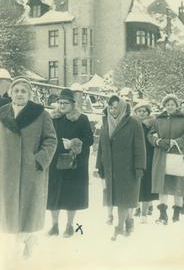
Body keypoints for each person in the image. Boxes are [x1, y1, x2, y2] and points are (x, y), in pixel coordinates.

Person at [0, 76, 57, 259]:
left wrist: (39, 160)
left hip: (30, 170)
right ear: (10, 93)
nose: (19, 94)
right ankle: (25, 240)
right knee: (11, 212)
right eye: (16, 90)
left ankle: (23, 242)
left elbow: (51, 139)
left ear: (30, 94)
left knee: (28, 210)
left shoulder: (41, 114)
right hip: (6, 171)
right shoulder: (2, 113)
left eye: (23, 91)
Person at [96, 94, 146, 241]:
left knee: (124, 200)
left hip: (128, 169)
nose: (112, 110)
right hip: (110, 168)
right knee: (116, 199)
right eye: (110, 107)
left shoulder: (134, 123)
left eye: (116, 107)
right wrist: (99, 164)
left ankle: (119, 227)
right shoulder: (105, 122)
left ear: (123, 107)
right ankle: (129, 222)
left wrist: (139, 167)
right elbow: (101, 145)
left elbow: (140, 147)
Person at [47, 89, 93, 237]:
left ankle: (70, 226)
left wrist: (74, 143)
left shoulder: (82, 119)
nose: (61, 105)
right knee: (54, 195)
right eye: (59, 102)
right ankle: (54, 225)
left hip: (74, 164)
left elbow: (89, 139)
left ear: (73, 104)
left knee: (71, 196)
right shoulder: (52, 118)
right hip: (54, 162)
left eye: (65, 103)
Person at [148, 94, 184, 224]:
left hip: (177, 155)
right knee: (162, 185)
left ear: (177, 106)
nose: (170, 107)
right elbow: (150, 134)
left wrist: (176, 142)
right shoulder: (158, 119)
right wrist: (157, 141)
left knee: (178, 184)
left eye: (172, 104)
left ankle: (176, 214)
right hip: (161, 155)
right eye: (167, 105)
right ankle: (163, 214)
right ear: (164, 106)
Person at [133, 102, 158, 224]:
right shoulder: (132, 124)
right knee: (136, 183)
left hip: (149, 156)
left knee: (146, 184)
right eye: (139, 111)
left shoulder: (152, 125)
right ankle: (137, 207)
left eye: (144, 111)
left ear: (148, 113)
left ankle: (144, 211)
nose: (142, 113)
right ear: (136, 113)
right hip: (136, 157)